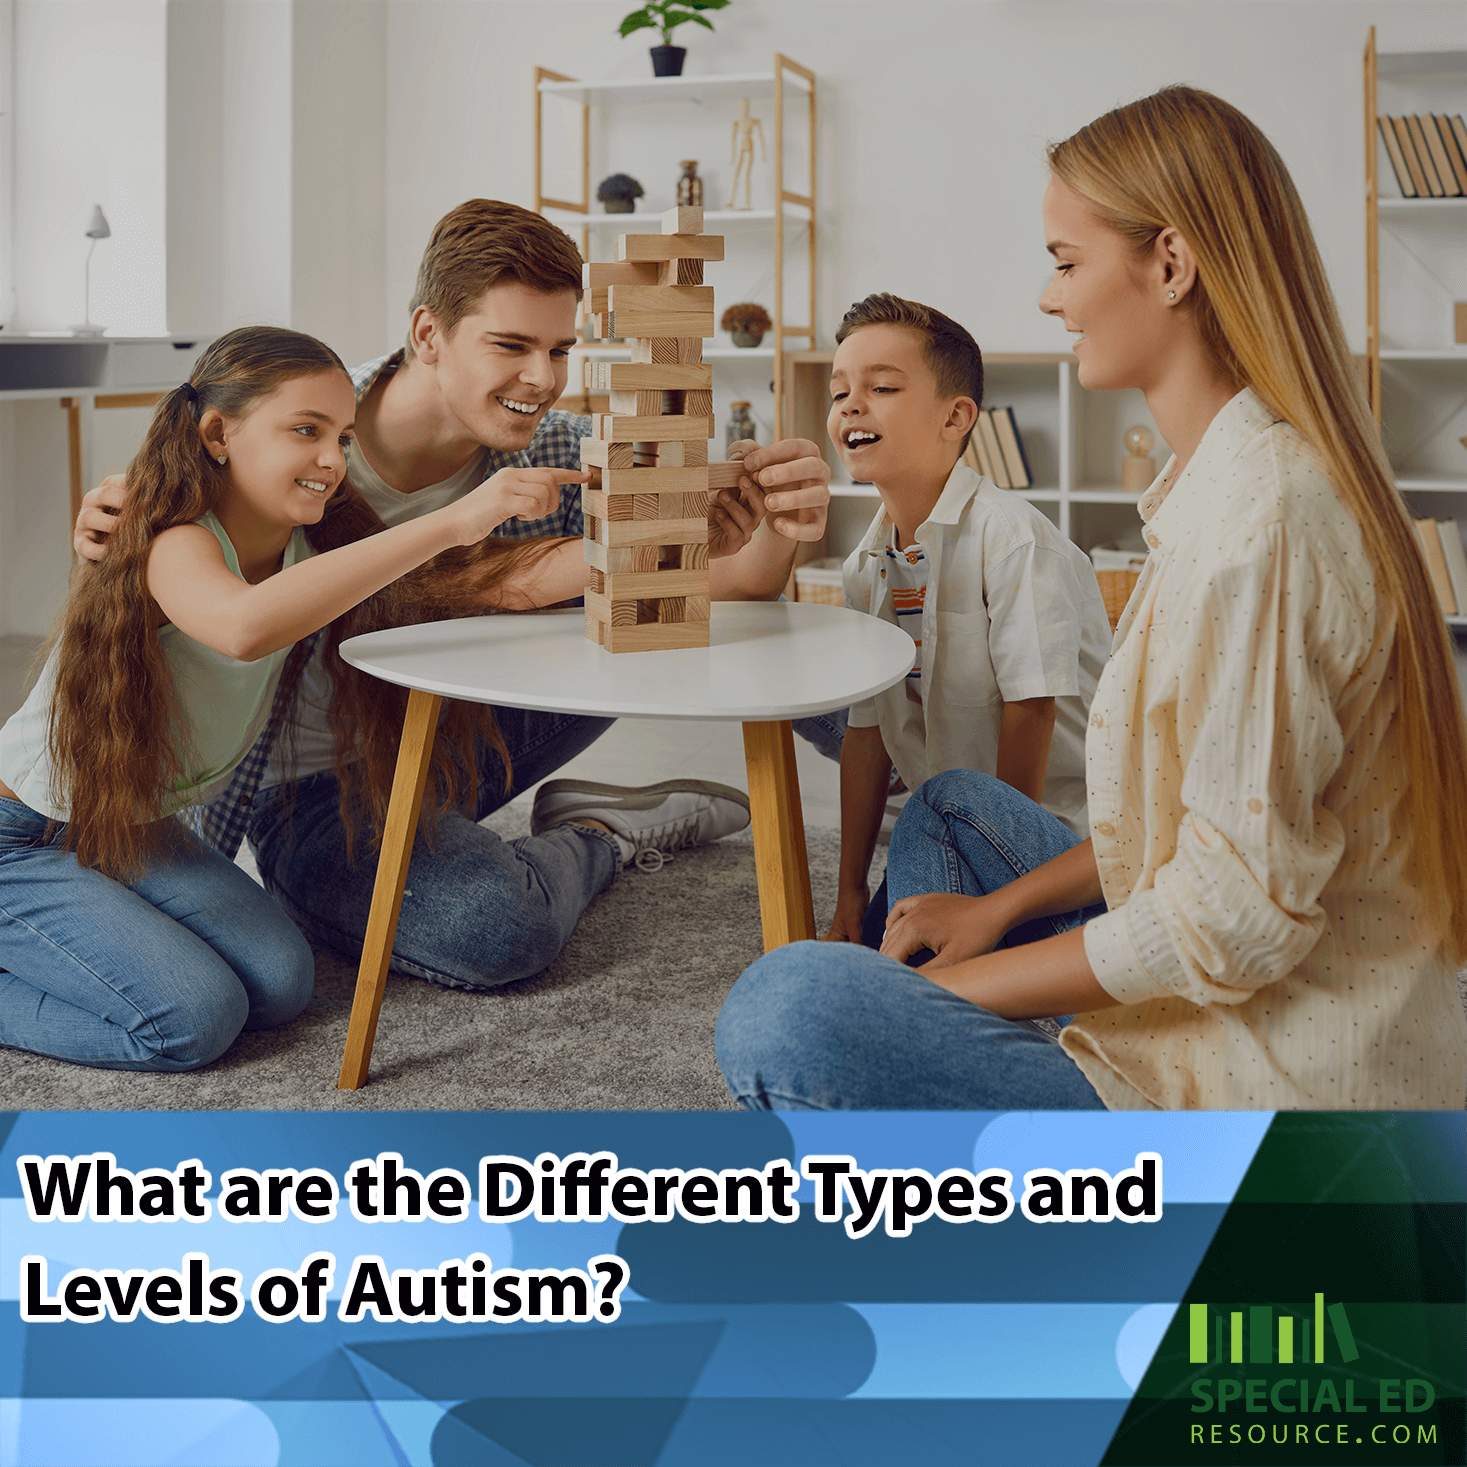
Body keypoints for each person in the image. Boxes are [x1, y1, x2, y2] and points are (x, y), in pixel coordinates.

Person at [716, 85, 1467, 1112]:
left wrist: (937, 996)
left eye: (1066, 263)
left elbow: (1229, 918)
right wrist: (987, 919)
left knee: (787, 1008)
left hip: (1251, 1090)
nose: (1047, 297)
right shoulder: (1218, 490)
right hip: (1204, 988)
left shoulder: (1264, 522)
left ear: (1171, 264)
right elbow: (1172, 836)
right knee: (945, 813)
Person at [73, 200, 833, 993]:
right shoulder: (294, 438)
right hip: (309, 785)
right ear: (428, 333)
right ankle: (599, 833)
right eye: (511, 345)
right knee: (496, 924)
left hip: (457, 736)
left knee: (665, 624)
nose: (544, 378)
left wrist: (777, 518)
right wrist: (116, 533)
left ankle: (885, 770)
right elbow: (176, 554)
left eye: (560, 349)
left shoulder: (559, 451)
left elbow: (732, 584)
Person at [0, 326, 579, 1070]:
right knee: (190, 1020)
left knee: (280, 985)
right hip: (22, 834)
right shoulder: (175, 541)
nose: (332, 460)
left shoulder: (314, 545)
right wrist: (452, 521)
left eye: (342, 437)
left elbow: (485, 581)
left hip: (124, 827)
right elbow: (243, 626)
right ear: (218, 433)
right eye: (306, 431)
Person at [820, 293, 1110, 952]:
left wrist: (992, 893)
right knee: (875, 945)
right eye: (839, 393)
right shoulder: (865, 567)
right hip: (946, 821)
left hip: (1051, 842)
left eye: (881, 387)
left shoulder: (1013, 541)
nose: (851, 406)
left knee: (929, 834)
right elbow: (866, 738)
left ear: (955, 417)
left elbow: (1031, 711)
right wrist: (849, 893)